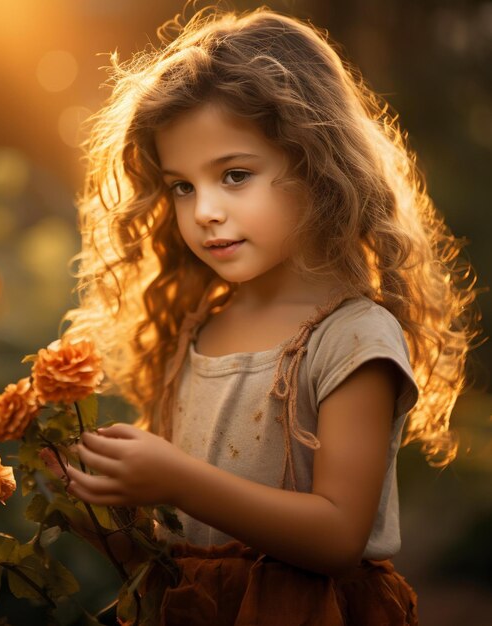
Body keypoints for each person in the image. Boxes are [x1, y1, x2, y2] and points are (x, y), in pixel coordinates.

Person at [49, 6, 479, 625]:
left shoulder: (352, 338)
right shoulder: (197, 328)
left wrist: (175, 479)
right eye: (182, 186)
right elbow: (183, 552)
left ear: (316, 164)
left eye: (234, 175)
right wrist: (86, 507)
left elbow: (336, 538)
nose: (205, 212)